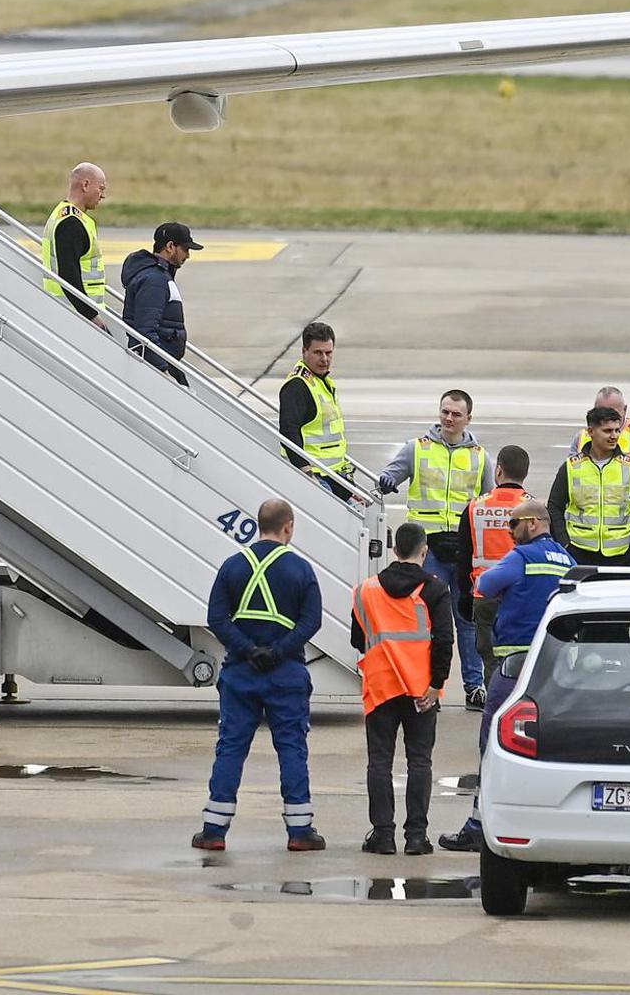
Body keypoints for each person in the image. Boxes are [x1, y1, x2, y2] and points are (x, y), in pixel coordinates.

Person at [439, 500, 575, 852]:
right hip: (558, 670)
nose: (509, 534)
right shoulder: (567, 560)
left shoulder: (522, 557)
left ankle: (477, 825)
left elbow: (485, 585)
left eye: (513, 526)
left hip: (515, 666)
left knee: (493, 743)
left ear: (532, 523)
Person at [194, 499, 325, 852]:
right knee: (292, 749)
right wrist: (279, 651)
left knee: (231, 749)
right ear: (289, 527)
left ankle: (214, 830)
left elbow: (217, 619)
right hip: (287, 675)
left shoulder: (232, 566)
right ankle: (300, 832)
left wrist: (248, 650)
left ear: (258, 524)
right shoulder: (301, 569)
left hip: (241, 673)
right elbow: (311, 621)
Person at [377, 390, 491, 709]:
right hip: (427, 552)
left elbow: (490, 501)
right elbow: (391, 474)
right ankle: (427, 685)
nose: (449, 418)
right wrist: (387, 480)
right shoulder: (417, 448)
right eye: (445, 412)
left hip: (463, 551)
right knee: (425, 620)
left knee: (466, 619)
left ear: (468, 418)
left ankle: (474, 685)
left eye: (456, 414)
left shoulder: (481, 456)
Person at [351, 523, 454, 856]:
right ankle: (416, 837)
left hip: (381, 687)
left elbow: (358, 638)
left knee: (379, 762)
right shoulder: (435, 589)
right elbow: (444, 641)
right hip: (421, 690)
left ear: (395, 550)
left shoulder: (366, 590)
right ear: (424, 551)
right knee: (419, 762)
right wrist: (436, 685)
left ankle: (382, 835)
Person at [457, 445, 532, 683]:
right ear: (525, 474)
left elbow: (464, 556)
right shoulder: (532, 509)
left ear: (498, 471)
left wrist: (464, 594)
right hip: (521, 594)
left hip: (484, 593)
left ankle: (494, 707)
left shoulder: (475, 506)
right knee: (522, 658)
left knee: (490, 659)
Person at [548, 405, 630, 567]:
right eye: (607, 431)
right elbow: (554, 507)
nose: (614, 436)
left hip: (621, 555)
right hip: (579, 553)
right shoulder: (571, 466)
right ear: (591, 432)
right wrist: (564, 544)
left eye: (617, 430)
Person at [278, 321, 354, 500]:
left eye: (328, 353)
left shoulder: (322, 381)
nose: (324, 359)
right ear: (304, 351)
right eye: (318, 353)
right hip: (314, 478)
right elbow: (289, 432)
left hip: (333, 474)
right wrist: (306, 473)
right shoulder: (297, 385)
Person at [120, 223, 201, 385]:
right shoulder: (154, 280)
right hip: (157, 369)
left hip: (164, 362)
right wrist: (164, 371)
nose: (188, 256)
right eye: (185, 249)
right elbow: (145, 332)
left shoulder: (160, 276)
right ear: (170, 246)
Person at [40, 162, 109, 329]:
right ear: (85, 185)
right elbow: (68, 275)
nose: (102, 195)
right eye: (101, 188)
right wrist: (91, 315)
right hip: (77, 318)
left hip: (67, 312)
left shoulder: (62, 214)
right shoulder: (71, 224)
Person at [568, 386, 630, 482]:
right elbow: (569, 475)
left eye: (613, 414)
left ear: (625, 410)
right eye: (601, 412)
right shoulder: (581, 438)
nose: (608, 418)